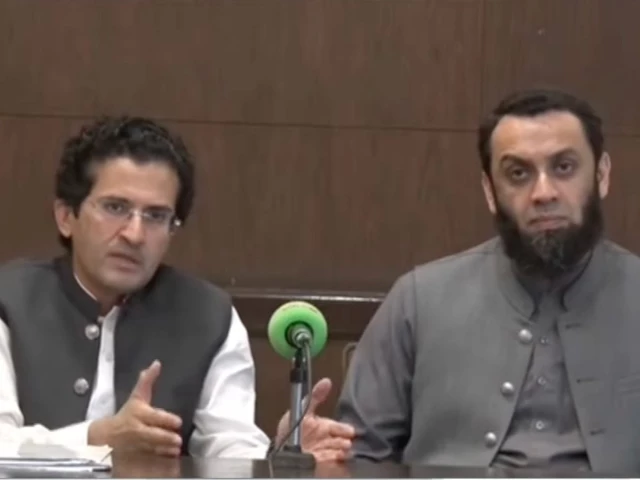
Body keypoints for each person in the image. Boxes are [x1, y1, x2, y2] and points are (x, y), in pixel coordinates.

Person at [0, 116, 353, 461]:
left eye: (156, 216)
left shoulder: (208, 315)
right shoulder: (9, 300)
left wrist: (281, 457)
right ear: (66, 216)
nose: (134, 234)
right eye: (115, 207)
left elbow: (229, 448)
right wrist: (95, 439)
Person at [336, 88, 640, 474]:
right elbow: (360, 452)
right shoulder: (418, 299)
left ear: (601, 175)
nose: (543, 193)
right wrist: (309, 452)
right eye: (518, 174)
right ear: (490, 191)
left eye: (564, 167)